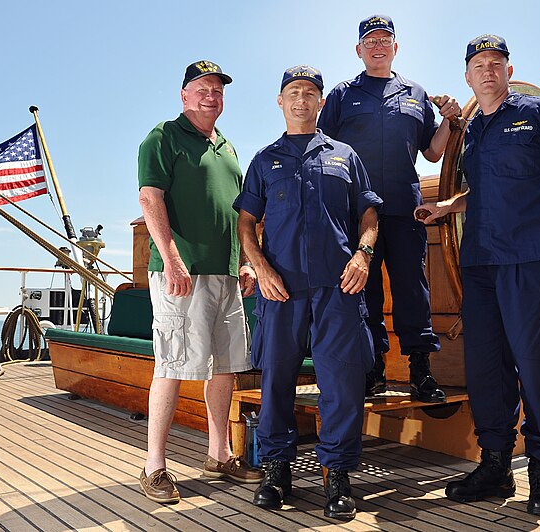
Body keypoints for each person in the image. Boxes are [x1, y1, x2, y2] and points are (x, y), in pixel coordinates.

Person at [418, 34, 540, 518]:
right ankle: (495, 464)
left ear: (507, 68)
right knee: (486, 369)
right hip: (481, 265)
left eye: (495, 63)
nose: (487, 71)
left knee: (538, 368)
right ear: (467, 75)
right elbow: (480, 191)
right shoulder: (476, 129)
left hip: (534, 264)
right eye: (478, 64)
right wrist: (446, 206)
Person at [235, 65, 383, 520]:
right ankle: (276, 470)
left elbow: (369, 215)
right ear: (280, 102)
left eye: (311, 93)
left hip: (338, 287)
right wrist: (259, 267)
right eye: (293, 92)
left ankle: (337, 476)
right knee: (277, 379)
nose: (302, 99)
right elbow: (244, 223)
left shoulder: (345, 156)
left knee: (341, 384)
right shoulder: (265, 160)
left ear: (321, 102)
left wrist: (362, 256)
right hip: (280, 289)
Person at [137, 60, 264, 504]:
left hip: (226, 276)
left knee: (227, 367)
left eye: (218, 90)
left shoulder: (228, 149)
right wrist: (171, 258)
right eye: (202, 88)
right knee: (172, 365)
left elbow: (241, 214)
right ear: (184, 95)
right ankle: (154, 466)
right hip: (181, 276)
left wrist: (247, 262)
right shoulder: (163, 137)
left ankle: (219, 454)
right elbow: (150, 198)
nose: (211, 96)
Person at [318, 15, 462, 403]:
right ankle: (372, 369)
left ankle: (420, 372)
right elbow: (321, 150)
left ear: (396, 48)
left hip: (404, 209)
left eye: (385, 39)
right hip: (356, 213)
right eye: (370, 40)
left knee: (412, 289)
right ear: (359, 49)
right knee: (363, 293)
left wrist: (450, 121)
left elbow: (432, 151)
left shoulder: (415, 92)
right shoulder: (341, 95)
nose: (378, 45)